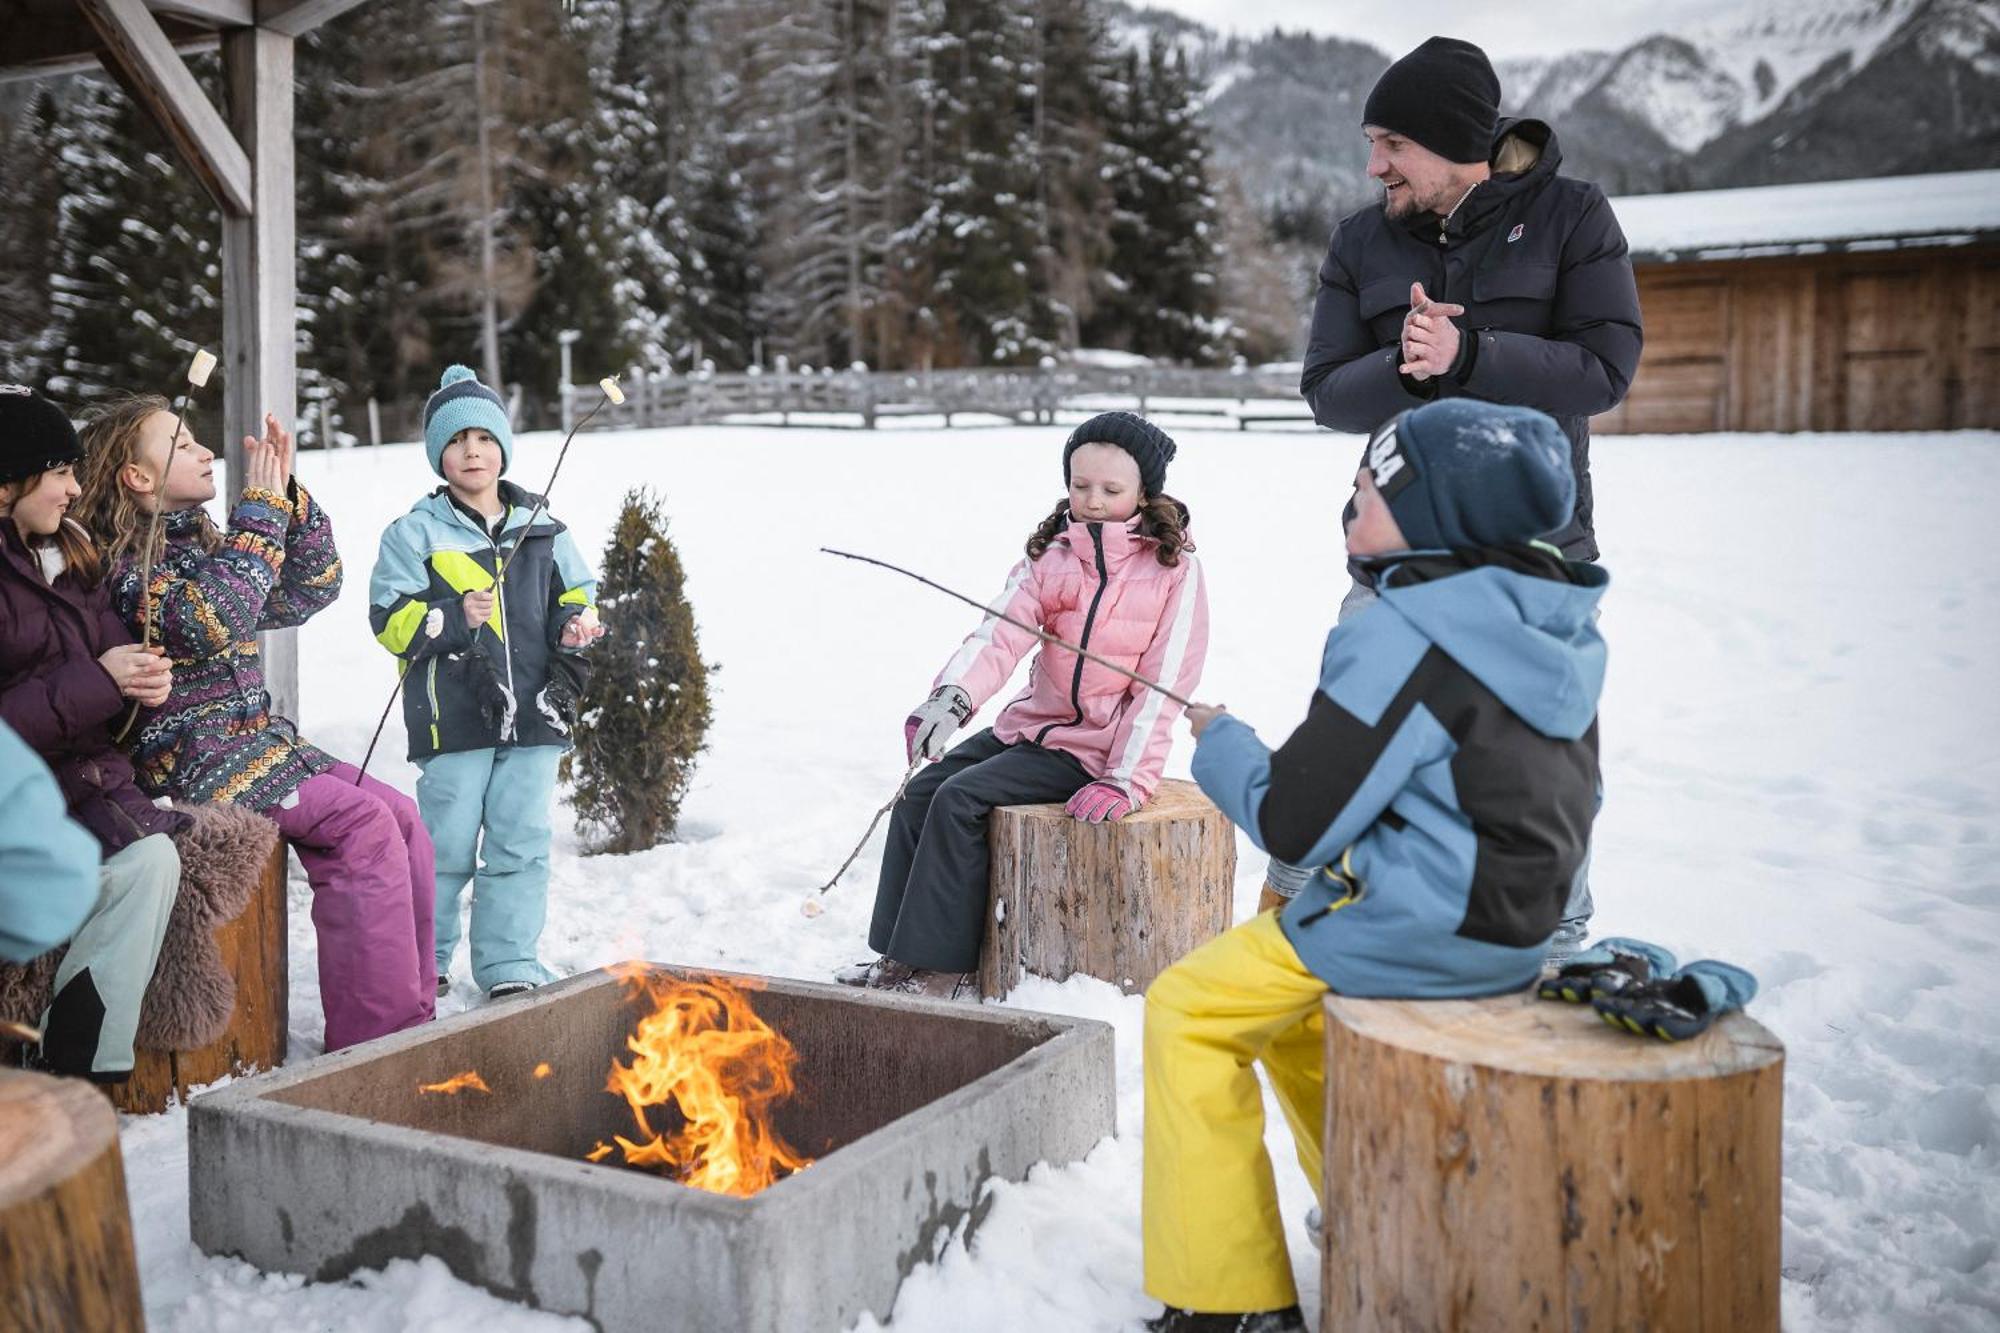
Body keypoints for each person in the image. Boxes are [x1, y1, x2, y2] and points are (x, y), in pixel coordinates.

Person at [1141, 399, 1606, 1332]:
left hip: (1421, 930)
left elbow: (1298, 819)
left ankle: (1226, 1300)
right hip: (1514, 926)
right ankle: (1365, 1206)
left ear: (1436, 514)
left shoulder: (1404, 629)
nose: (1348, 505)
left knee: (1188, 1008)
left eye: (1370, 487)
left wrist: (1221, 739)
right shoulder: (1540, 617)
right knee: (1302, 1021)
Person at [1286, 33, 1642, 956]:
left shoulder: (1573, 216)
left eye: (1391, 144)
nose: (1374, 166)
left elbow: (1605, 370)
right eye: (1372, 143)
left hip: (1534, 559)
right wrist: (1406, 371)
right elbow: (1325, 390)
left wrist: (1470, 353)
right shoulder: (1362, 239)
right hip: (1391, 555)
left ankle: (1550, 950)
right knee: (1350, 751)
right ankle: (1336, 943)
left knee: (1533, 771)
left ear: (1454, 142)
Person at [75, 394, 434, 1052]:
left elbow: (312, 587)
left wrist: (287, 502)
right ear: (137, 476)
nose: (206, 451)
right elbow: (212, 616)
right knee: (361, 828)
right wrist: (260, 518)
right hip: (194, 762)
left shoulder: (208, 545)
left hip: (259, 746)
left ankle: (417, 1018)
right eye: (182, 445)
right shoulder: (126, 569)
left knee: (403, 817)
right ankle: (377, 1046)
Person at [838, 411, 1208, 1000]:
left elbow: (1164, 688)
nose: (1093, 501)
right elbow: (998, 635)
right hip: (1029, 728)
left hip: (1092, 751)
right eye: (1080, 485)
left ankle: (944, 967)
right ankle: (897, 954)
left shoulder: (1173, 572)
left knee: (960, 801)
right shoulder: (1053, 557)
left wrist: (1127, 779)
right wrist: (951, 700)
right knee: (920, 793)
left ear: (1144, 492)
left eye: (1111, 490)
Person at [368, 365, 602, 1001]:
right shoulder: (413, 533)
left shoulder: (543, 526)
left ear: (502, 446)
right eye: (456, 440)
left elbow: (577, 591)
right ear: (436, 455)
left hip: (534, 713)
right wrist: (448, 615)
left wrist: (579, 620)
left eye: (484, 437)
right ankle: (428, 959)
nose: (472, 450)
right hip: (454, 718)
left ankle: (508, 964)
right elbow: (388, 620)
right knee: (444, 844)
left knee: (521, 843)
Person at [0, 385, 180, 1081]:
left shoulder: (71, 556)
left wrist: (143, 687)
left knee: (152, 861)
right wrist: (102, 682)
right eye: (61, 473)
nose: (77, 489)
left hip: (84, 787)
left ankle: (80, 1071)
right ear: (10, 480)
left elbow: (113, 673)